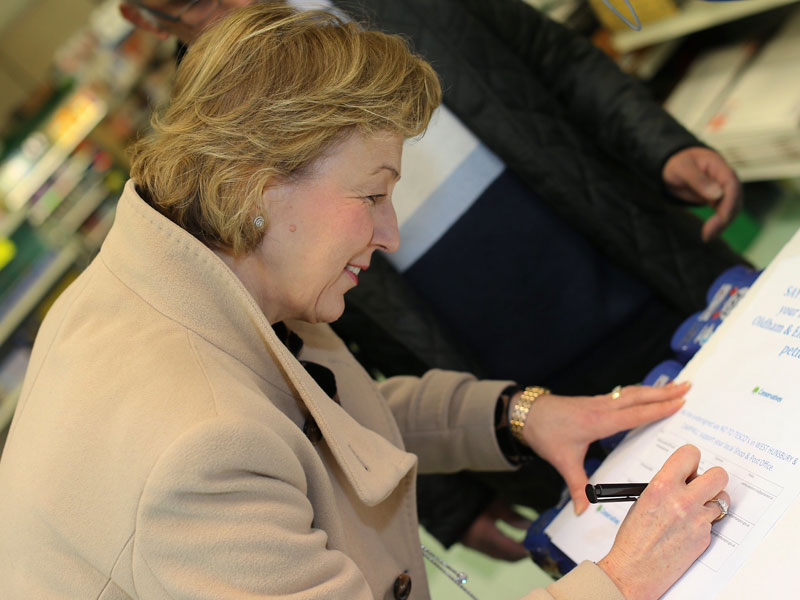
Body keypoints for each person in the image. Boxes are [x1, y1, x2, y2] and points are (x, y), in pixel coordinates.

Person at [0, 5, 731, 599]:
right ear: (256, 186)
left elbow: (326, 420)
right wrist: (621, 580)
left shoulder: (192, 269)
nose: (390, 234)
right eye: (373, 194)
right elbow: (247, 438)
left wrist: (516, 414)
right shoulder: (197, 455)